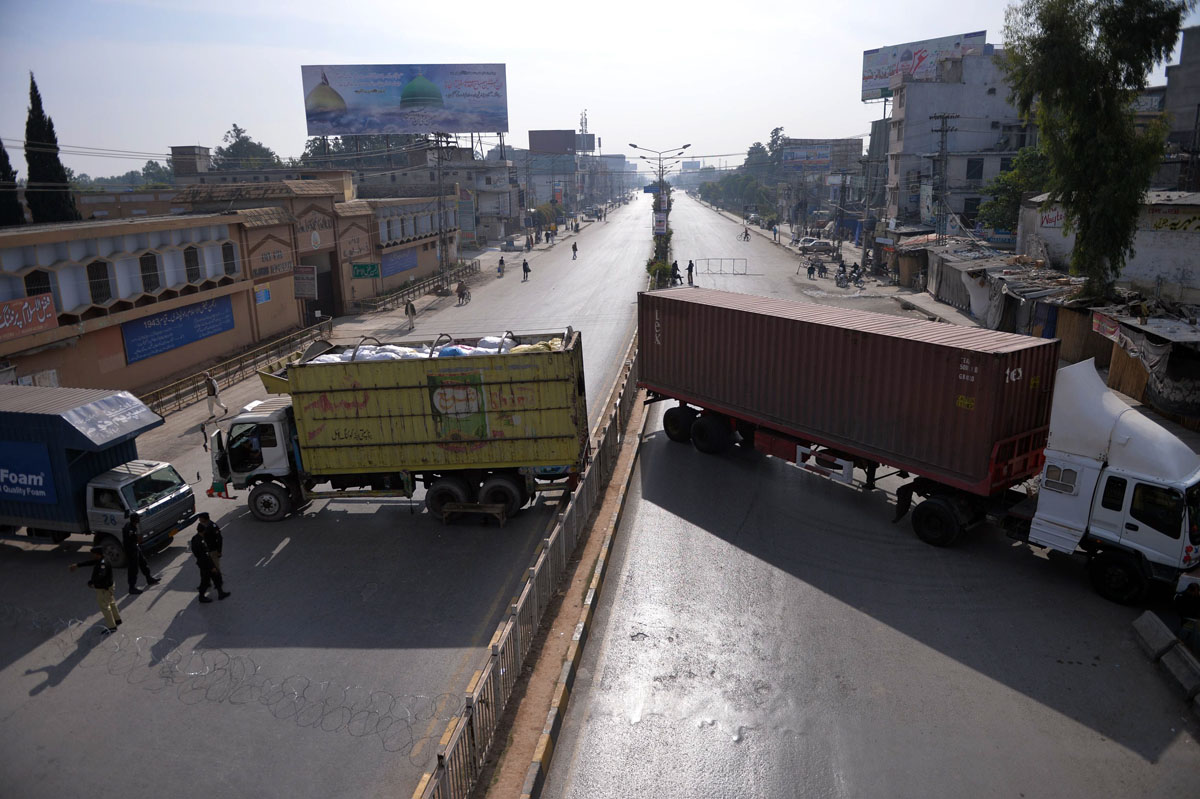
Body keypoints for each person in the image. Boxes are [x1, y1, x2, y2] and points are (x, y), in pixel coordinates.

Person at [70, 546, 122, 633]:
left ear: (97, 554)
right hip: (109, 587)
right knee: (111, 603)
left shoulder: (102, 564)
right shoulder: (103, 559)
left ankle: (112, 627)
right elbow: (90, 562)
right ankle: (117, 620)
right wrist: (78, 565)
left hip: (104, 589)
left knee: (105, 607)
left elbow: (101, 575)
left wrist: (92, 582)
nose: (92, 556)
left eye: (93, 554)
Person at [122, 513, 159, 594]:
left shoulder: (130, 525)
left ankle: (149, 579)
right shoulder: (130, 530)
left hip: (135, 548)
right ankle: (132, 587)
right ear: (135, 520)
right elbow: (134, 540)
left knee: (143, 563)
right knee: (133, 569)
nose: (139, 520)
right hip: (131, 550)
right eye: (138, 518)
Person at [190, 528, 229, 603]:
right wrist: (212, 567)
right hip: (206, 564)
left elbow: (196, 552)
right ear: (203, 531)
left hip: (202, 563)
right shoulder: (201, 541)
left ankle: (220, 593)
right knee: (205, 581)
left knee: (215, 577)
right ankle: (201, 597)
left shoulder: (194, 538)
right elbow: (205, 556)